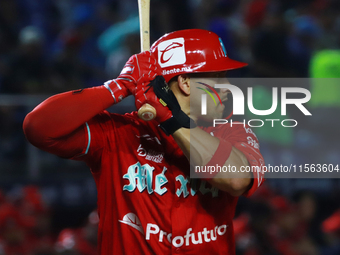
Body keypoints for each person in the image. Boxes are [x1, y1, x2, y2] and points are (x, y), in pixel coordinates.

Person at [23, 29, 265, 254]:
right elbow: (39, 128)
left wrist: (170, 119)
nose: (228, 87)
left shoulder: (233, 131)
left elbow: (236, 179)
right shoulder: (119, 132)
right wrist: (119, 86)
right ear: (185, 83)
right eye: (218, 77)